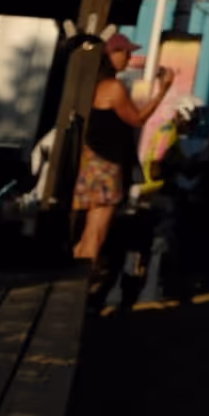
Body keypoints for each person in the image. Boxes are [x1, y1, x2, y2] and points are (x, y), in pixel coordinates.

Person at [72, 33, 171, 262]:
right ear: (111, 54)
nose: (129, 57)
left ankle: (76, 272)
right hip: (106, 164)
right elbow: (137, 119)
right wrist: (162, 91)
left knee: (90, 229)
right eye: (125, 52)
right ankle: (84, 280)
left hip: (92, 159)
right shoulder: (113, 87)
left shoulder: (93, 83)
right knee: (97, 232)